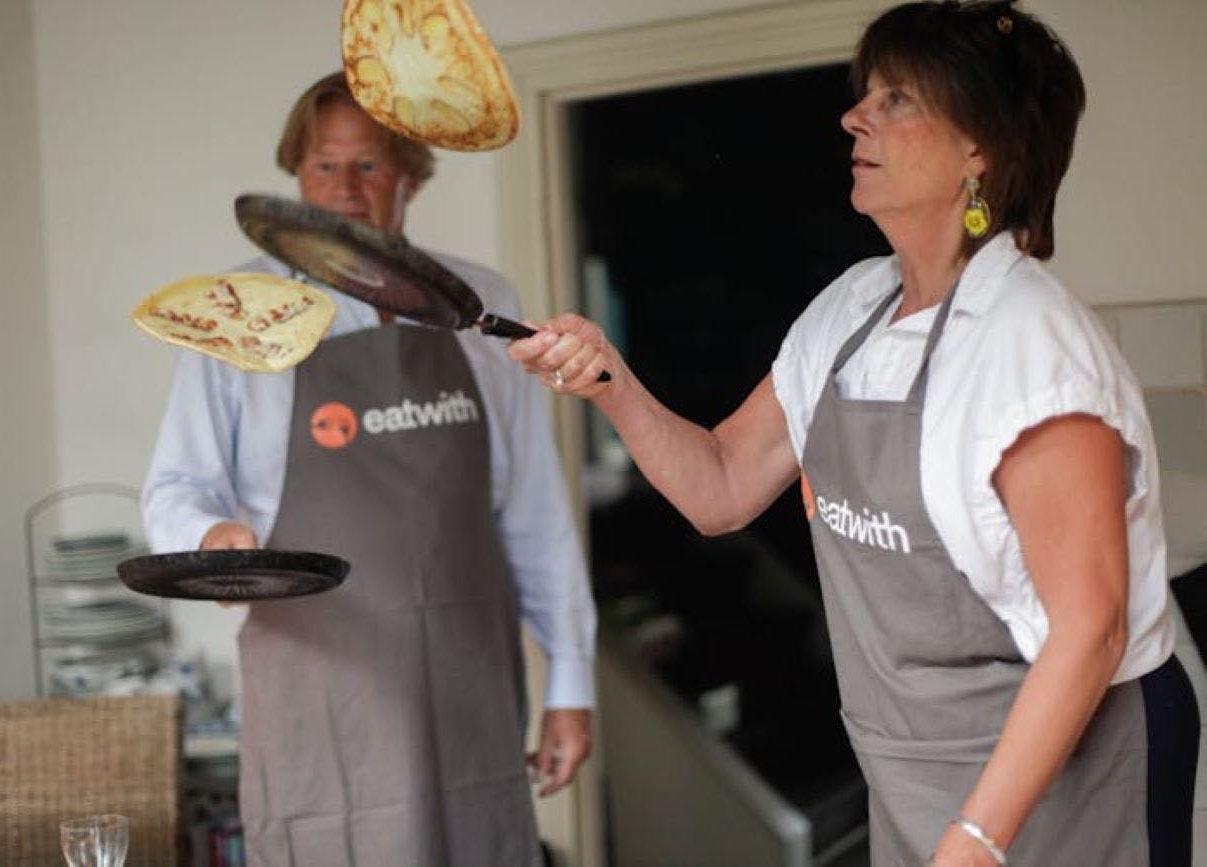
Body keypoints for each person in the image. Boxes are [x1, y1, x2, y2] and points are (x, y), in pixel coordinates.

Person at [507, 2, 1199, 864]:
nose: (853, 116)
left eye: (898, 99)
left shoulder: (1032, 348)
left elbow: (1088, 630)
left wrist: (975, 843)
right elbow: (720, 487)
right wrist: (608, 378)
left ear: (980, 149)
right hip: (910, 752)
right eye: (867, 94)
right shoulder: (853, 307)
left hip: (1065, 750)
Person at [142, 71, 596, 867]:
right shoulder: (238, 314)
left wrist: (570, 682)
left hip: (468, 683)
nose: (344, 190)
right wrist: (212, 536)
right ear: (294, 174)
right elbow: (175, 487)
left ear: (411, 176)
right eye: (325, 166)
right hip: (322, 689)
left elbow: (534, 511)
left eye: (369, 167)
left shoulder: (482, 303)